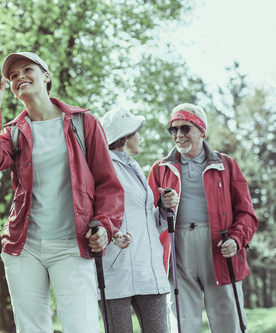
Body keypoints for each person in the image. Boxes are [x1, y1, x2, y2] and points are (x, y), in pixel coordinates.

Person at [0, 52, 125, 333]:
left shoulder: (83, 123)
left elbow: (108, 185)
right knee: (31, 329)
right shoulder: (13, 132)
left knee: (82, 326)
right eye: (13, 76)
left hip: (72, 244)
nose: (19, 78)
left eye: (27, 69)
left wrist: (105, 226)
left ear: (46, 76)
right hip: (24, 247)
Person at [147, 103, 258, 333]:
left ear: (200, 129)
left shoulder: (226, 165)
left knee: (229, 322)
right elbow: (147, 216)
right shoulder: (160, 169)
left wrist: (236, 240)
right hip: (178, 248)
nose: (178, 135)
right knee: (182, 323)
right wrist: (163, 205)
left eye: (185, 128)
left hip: (219, 246)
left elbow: (247, 213)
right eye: (173, 130)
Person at [99, 107, 178, 332]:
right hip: (116, 269)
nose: (140, 137)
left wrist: (163, 207)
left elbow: (146, 222)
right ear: (125, 136)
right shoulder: (103, 169)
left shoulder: (134, 167)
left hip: (148, 270)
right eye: (137, 132)